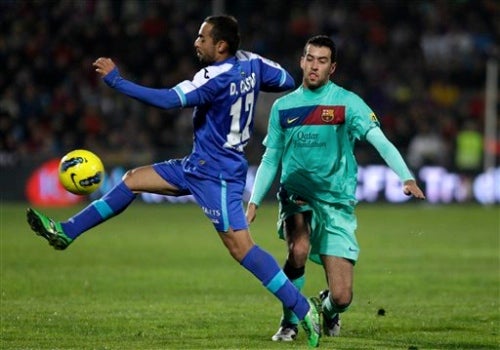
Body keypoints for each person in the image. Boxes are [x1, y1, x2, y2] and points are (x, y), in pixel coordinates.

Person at [26, 15, 321, 348]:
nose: (196, 42)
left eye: (202, 38)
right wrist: (248, 83)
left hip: (219, 174)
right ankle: (66, 232)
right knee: (133, 180)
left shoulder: (212, 78)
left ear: (220, 45)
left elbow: (168, 101)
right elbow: (283, 79)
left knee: (242, 248)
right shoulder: (252, 63)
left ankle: (301, 307)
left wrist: (116, 80)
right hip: (197, 164)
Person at [246, 35, 425, 342]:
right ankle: (290, 320)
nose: (314, 66)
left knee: (342, 297)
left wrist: (405, 177)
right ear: (302, 61)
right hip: (296, 196)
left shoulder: (347, 103)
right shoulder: (283, 107)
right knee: (298, 249)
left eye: (322, 61)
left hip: (336, 202)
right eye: (310, 58)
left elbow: (379, 139)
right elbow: (271, 156)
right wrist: (254, 202)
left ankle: (327, 310)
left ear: (333, 68)